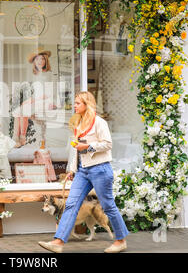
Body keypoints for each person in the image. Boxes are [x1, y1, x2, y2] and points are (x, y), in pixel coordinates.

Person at [38, 91, 129, 253]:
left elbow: (108, 144)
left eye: (78, 103)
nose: (74, 105)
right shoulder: (79, 124)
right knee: (71, 204)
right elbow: (76, 150)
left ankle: (121, 240)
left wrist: (88, 147)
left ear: (87, 105)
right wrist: (73, 169)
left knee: (108, 205)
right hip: (82, 171)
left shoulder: (99, 123)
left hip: (100, 169)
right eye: (74, 103)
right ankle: (58, 243)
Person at [11, 50, 55, 147]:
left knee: (22, 110)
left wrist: (32, 100)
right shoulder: (35, 75)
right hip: (37, 100)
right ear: (34, 61)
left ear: (46, 60)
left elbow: (47, 94)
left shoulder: (48, 74)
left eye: (42, 58)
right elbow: (36, 92)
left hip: (45, 101)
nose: (40, 61)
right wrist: (30, 99)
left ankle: (22, 138)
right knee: (18, 111)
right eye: (37, 59)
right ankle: (17, 138)